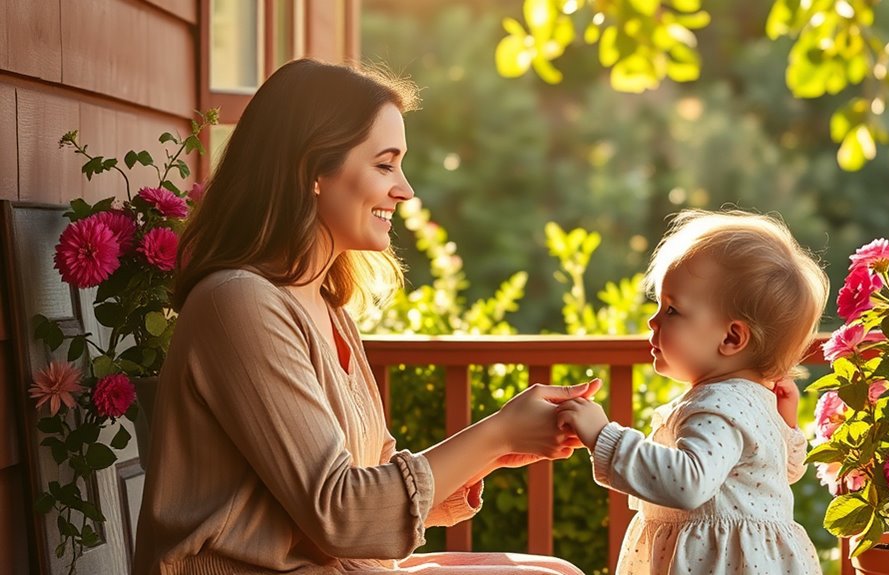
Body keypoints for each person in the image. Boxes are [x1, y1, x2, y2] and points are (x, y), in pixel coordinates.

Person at [133, 59, 595, 575]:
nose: (405, 189)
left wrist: (490, 454)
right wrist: (499, 433)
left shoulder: (322, 303)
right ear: (312, 171)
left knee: (555, 571)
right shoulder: (238, 303)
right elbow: (342, 514)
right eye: (385, 164)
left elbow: (363, 478)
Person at [555, 209, 828, 575]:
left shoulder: (719, 404)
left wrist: (604, 437)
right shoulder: (749, 399)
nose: (653, 320)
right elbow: (775, 476)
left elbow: (687, 483)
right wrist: (786, 427)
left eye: (672, 310)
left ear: (731, 337)